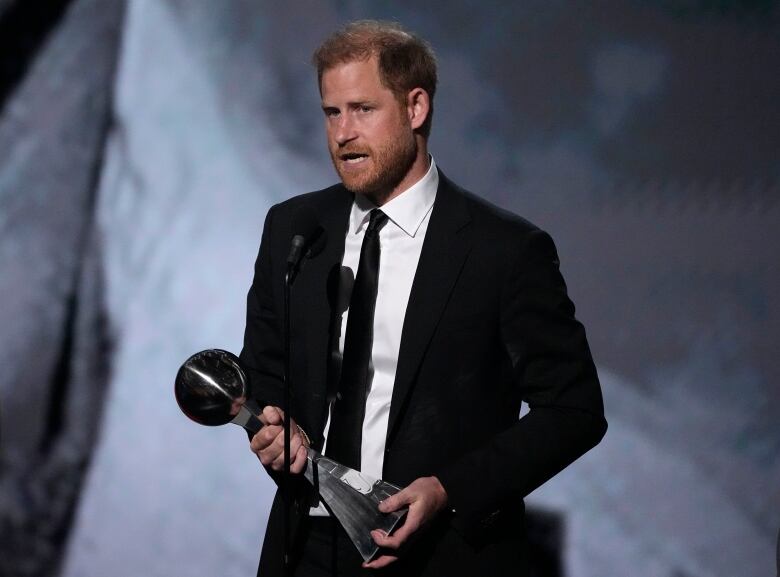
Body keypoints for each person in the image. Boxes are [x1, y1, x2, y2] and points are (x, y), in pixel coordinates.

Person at [241, 20, 607, 577]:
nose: (342, 133)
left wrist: (449, 491)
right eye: (331, 112)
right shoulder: (293, 227)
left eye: (362, 109)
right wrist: (272, 426)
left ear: (416, 108)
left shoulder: (503, 250)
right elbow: (264, 368)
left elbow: (574, 410)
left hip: (439, 554)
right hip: (304, 547)